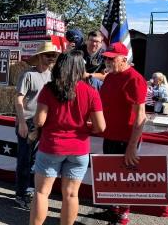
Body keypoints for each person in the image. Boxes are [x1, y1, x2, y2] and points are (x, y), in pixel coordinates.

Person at [29, 50, 105, 225]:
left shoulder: (49, 89)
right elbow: (100, 126)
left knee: (41, 192)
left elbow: (39, 121)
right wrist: (83, 127)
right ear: (80, 68)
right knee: (71, 194)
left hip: (51, 146)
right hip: (79, 149)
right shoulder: (91, 92)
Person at [98, 42, 147, 225]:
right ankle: (113, 209)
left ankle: (123, 214)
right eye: (107, 57)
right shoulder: (110, 77)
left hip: (126, 139)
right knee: (111, 177)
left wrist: (132, 146)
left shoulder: (135, 79)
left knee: (125, 179)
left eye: (112, 58)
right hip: (110, 135)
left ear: (124, 59)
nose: (108, 60)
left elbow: (141, 116)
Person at [14, 41, 59, 210]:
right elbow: (18, 99)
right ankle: (21, 193)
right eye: (48, 55)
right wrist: (22, 123)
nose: (51, 58)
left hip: (43, 124)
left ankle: (29, 191)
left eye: (53, 55)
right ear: (39, 57)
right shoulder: (28, 75)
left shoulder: (53, 76)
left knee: (37, 161)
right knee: (24, 160)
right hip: (28, 123)